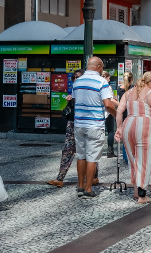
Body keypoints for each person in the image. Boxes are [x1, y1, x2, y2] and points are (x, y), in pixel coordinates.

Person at [116, 71, 151, 203]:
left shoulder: (128, 93)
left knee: (133, 160)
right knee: (143, 160)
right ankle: (142, 195)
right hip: (144, 126)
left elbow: (119, 111)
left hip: (128, 125)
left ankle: (136, 192)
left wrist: (119, 128)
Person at [72, 57, 117, 199]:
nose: (102, 70)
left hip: (79, 123)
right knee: (91, 157)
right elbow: (108, 105)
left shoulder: (77, 81)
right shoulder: (101, 82)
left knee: (81, 156)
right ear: (98, 67)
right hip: (94, 124)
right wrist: (117, 116)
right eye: (102, 67)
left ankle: (80, 187)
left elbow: (75, 99)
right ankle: (88, 189)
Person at [48, 69, 100, 188]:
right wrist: (69, 102)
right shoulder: (73, 92)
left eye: (79, 77)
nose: (76, 79)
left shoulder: (87, 91)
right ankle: (60, 178)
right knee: (68, 150)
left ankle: (94, 177)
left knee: (90, 152)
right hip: (72, 123)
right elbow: (68, 111)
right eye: (74, 77)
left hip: (86, 124)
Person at [102, 71, 118, 159]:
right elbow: (110, 100)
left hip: (99, 113)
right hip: (108, 112)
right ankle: (110, 150)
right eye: (108, 78)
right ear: (105, 77)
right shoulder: (107, 87)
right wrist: (120, 105)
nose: (109, 79)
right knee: (111, 131)